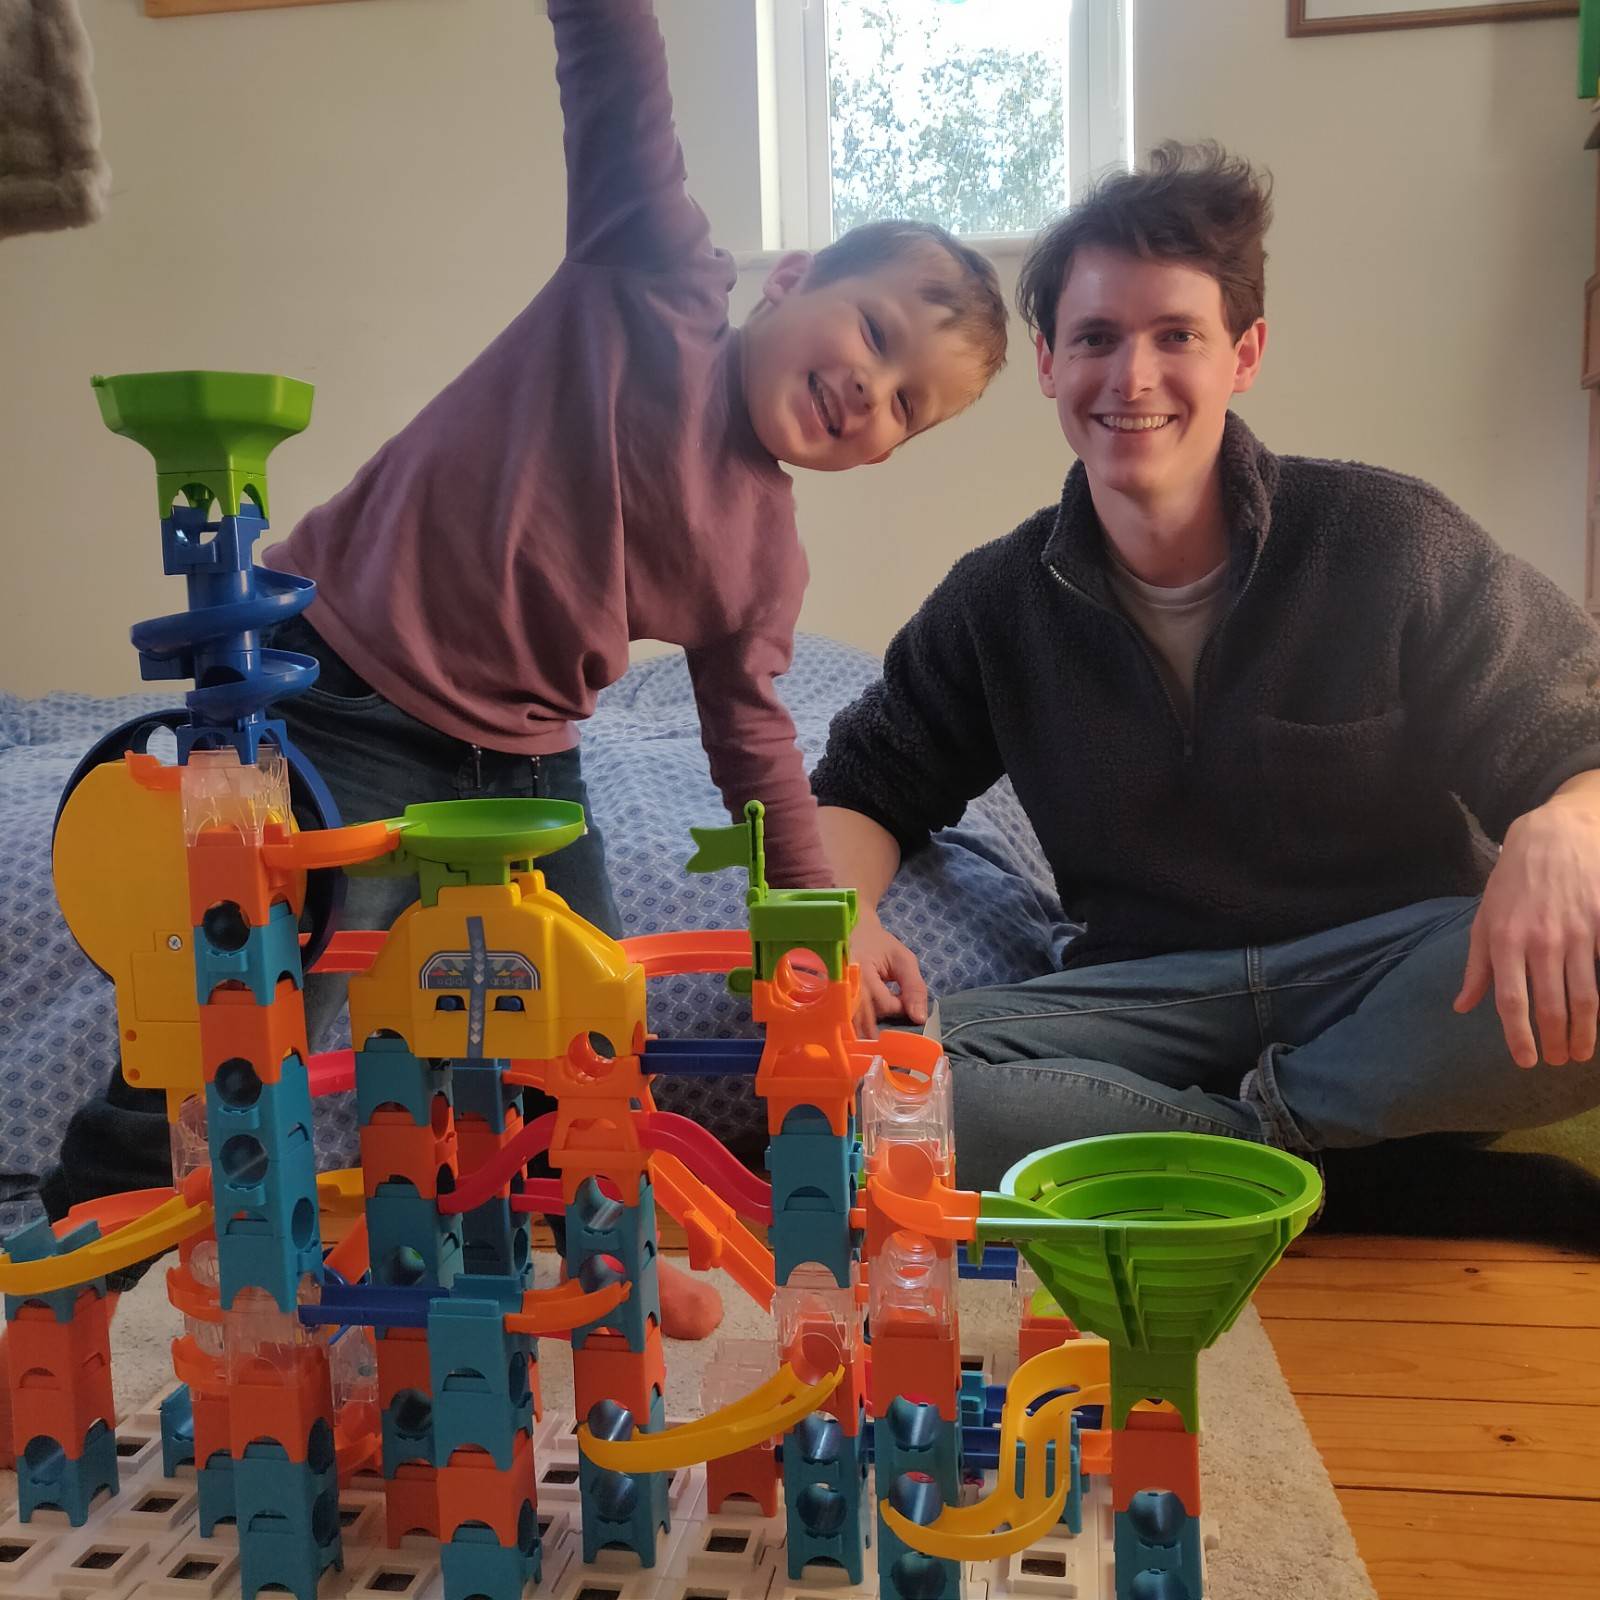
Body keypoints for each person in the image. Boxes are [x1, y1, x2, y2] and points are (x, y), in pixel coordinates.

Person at [31, 0, 1010, 1355]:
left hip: (524, 761)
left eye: (910, 408)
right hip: (337, 690)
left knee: (584, 1017)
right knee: (243, 1004)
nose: (874, 394)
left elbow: (754, 742)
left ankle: (599, 1252)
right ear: (789, 279)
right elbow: (616, 69)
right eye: (877, 336)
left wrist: (824, 923)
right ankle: (65, 1265)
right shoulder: (653, 274)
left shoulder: (762, 558)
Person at [810, 141, 1600, 1194]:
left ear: (1245, 352)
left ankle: (1215, 1143)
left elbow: (1573, 732)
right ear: (1048, 363)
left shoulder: (1391, 538)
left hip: (1392, 980)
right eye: (1095, 337)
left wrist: (1567, 822)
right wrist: (844, 918)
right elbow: (863, 785)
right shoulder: (995, 601)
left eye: (1176, 335)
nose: (1131, 377)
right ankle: (1322, 1150)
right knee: (860, 1085)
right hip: (1142, 1003)